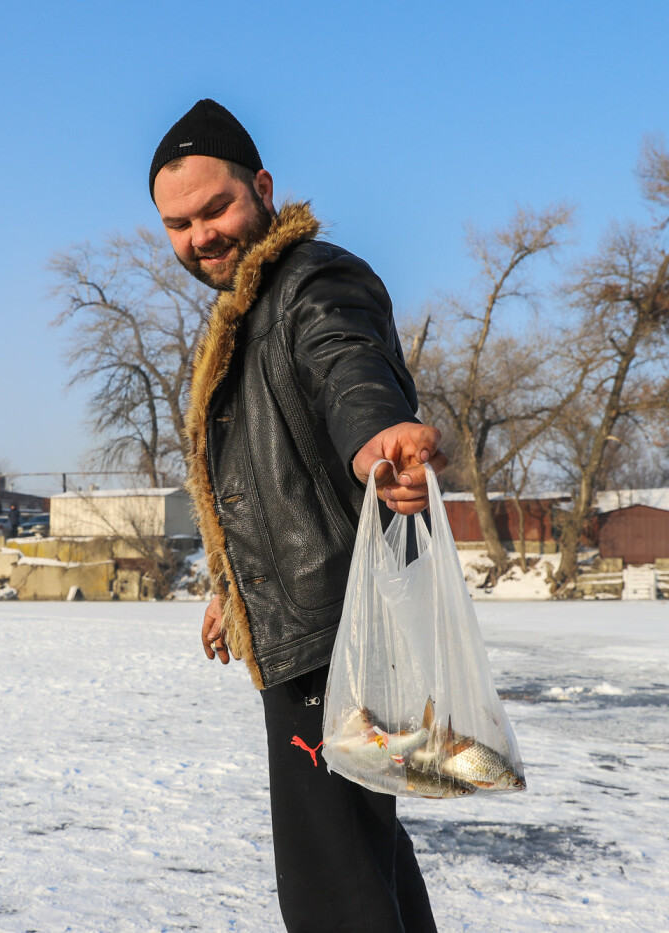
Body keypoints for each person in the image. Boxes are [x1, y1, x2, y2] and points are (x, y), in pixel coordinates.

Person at [150, 99, 448, 933]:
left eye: (217, 208)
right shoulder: (247, 315)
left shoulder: (310, 283)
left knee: (332, 893)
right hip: (310, 627)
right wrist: (232, 589)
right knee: (366, 862)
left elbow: (348, 367)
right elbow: (272, 483)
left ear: (263, 188)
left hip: (334, 641)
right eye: (179, 223)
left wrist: (378, 439)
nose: (201, 235)